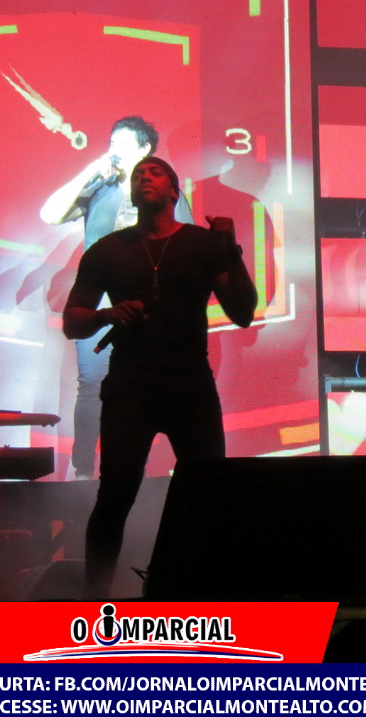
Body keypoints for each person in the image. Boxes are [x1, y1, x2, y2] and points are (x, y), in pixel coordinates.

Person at [63, 156, 256, 598]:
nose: (143, 178)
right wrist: (107, 314)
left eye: (154, 173)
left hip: (190, 384)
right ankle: (95, 599)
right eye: (137, 175)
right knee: (115, 494)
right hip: (130, 386)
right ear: (131, 194)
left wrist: (230, 250)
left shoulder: (203, 244)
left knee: (210, 493)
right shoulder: (107, 250)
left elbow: (243, 312)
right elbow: (73, 321)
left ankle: (211, 596)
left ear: (174, 190)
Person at [41, 116, 192, 480]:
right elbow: (50, 214)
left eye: (123, 144)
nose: (114, 150)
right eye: (112, 143)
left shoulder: (166, 194)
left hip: (151, 308)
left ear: (144, 149)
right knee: (91, 385)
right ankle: (82, 469)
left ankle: (140, 469)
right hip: (101, 305)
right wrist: (90, 171)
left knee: (149, 385)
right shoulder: (99, 188)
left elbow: (185, 243)